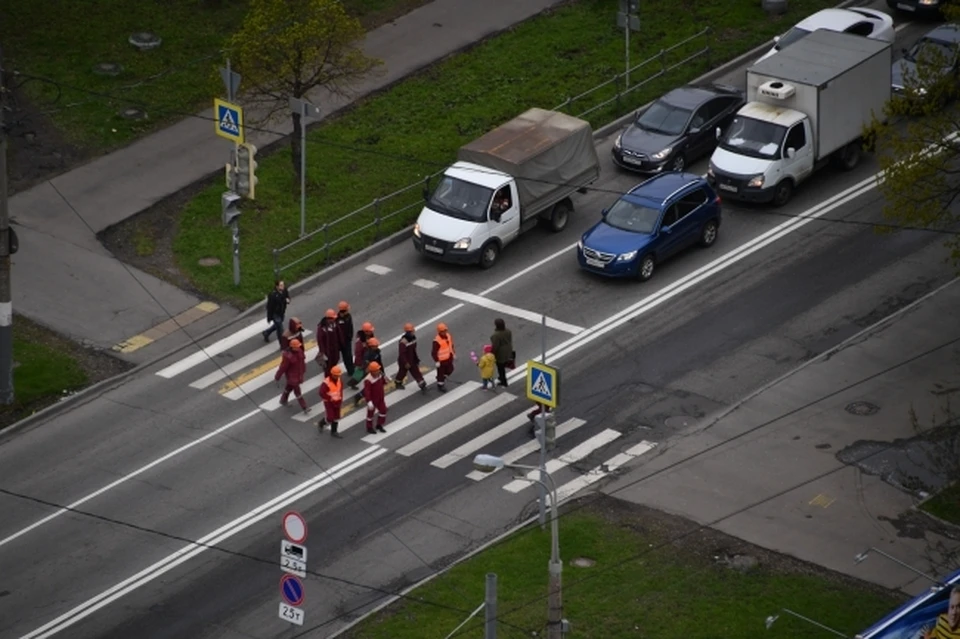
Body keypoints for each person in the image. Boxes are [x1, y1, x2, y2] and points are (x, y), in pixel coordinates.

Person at [275, 339, 310, 414]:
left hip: (298, 375)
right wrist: (277, 376)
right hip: (292, 377)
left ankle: (283, 400)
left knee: (289, 387)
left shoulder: (300, 351)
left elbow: (302, 361)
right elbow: (283, 367)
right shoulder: (288, 356)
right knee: (297, 392)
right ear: (292, 347)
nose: (298, 348)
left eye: (298, 346)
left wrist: (303, 370)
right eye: (296, 347)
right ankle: (304, 407)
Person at [394, 322, 427, 393]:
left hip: (412, 360)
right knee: (402, 373)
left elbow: (413, 350)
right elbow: (402, 354)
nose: (413, 332)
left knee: (416, 372)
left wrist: (416, 359)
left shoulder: (413, 338)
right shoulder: (403, 342)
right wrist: (405, 363)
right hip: (404, 361)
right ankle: (398, 382)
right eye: (412, 331)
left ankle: (422, 384)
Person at [354, 337, 383, 406]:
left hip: (376, 370)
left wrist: (381, 371)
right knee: (371, 388)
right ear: (371, 346)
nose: (377, 347)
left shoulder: (377, 352)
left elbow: (379, 362)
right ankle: (359, 396)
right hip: (371, 372)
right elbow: (366, 364)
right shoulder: (367, 354)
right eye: (375, 346)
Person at [317, 365, 344, 438]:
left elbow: (340, 390)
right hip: (329, 402)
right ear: (332, 374)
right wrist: (330, 398)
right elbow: (321, 393)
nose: (337, 377)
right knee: (330, 417)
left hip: (337, 401)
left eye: (338, 375)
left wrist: (340, 399)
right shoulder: (326, 383)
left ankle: (334, 431)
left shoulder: (339, 381)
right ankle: (321, 423)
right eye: (335, 375)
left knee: (337, 417)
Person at [363, 361, 388, 435]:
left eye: (378, 370)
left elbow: (382, 383)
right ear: (372, 371)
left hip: (380, 397)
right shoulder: (368, 380)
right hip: (373, 399)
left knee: (383, 410)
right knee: (370, 414)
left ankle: (379, 425)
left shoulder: (379, 375)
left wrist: (386, 380)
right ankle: (369, 427)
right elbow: (367, 392)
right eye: (376, 370)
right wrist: (369, 401)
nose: (378, 371)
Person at [350, 322, 376, 389]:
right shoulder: (360, 342)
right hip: (362, 361)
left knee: (366, 371)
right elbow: (358, 353)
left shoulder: (370, 336)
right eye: (370, 331)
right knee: (360, 373)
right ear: (366, 332)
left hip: (368, 357)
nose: (371, 332)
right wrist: (359, 364)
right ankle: (352, 383)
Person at [432, 323, 455, 393]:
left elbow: (451, 345)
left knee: (450, 369)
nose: (445, 332)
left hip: (449, 357)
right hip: (441, 361)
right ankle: (440, 385)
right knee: (440, 373)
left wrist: (453, 353)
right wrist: (437, 361)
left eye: (445, 330)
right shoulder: (436, 341)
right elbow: (434, 352)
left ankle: (441, 378)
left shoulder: (448, 336)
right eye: (443, 331)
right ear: (439, 332)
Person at [490, 318, 514, 388]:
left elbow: (495, 346)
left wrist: (492, 354)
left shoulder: (496, 335)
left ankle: (504, 381)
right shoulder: (508, 331)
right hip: (508, 350)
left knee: (500, 368)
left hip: (501, 353)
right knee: (504, 364)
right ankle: (501, 378)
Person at [316, 309, 340, 375]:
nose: (334, 320)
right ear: (329, 319)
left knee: (335, 360)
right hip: (327, 350)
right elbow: (320, 340)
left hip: (335, 348)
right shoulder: (321, 328)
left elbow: (338, 334)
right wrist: (323, 351)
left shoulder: (334, 324)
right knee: (328, 365)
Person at [336, 301, 355, 378]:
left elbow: (350, 327)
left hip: (347, 341)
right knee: (345, 356)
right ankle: (350, 369)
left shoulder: (348, 317)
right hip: (341, 342)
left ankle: (351, 370)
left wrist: (350, 337)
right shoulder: (337, 319)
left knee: (348, 356)